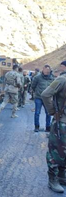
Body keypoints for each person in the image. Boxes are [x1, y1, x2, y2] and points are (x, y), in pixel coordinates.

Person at [41, 60, 66, 193]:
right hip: (61, 122)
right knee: (56, 151)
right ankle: (53, 179)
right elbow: (45, 94)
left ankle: (62, 176)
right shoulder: (62, 80)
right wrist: (52, 112)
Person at [31, 65, 54, 132]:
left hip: (47, 99)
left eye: (48, 70)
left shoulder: (52, 78)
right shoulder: (37, 77)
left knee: (48, 113)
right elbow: (33, 86)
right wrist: (36, 93)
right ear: (43, 70)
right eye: (45, 70)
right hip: (39, 98)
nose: (46, 71)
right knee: (37, 113)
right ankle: (37, 127)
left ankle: (48, 127)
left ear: (49, 70)